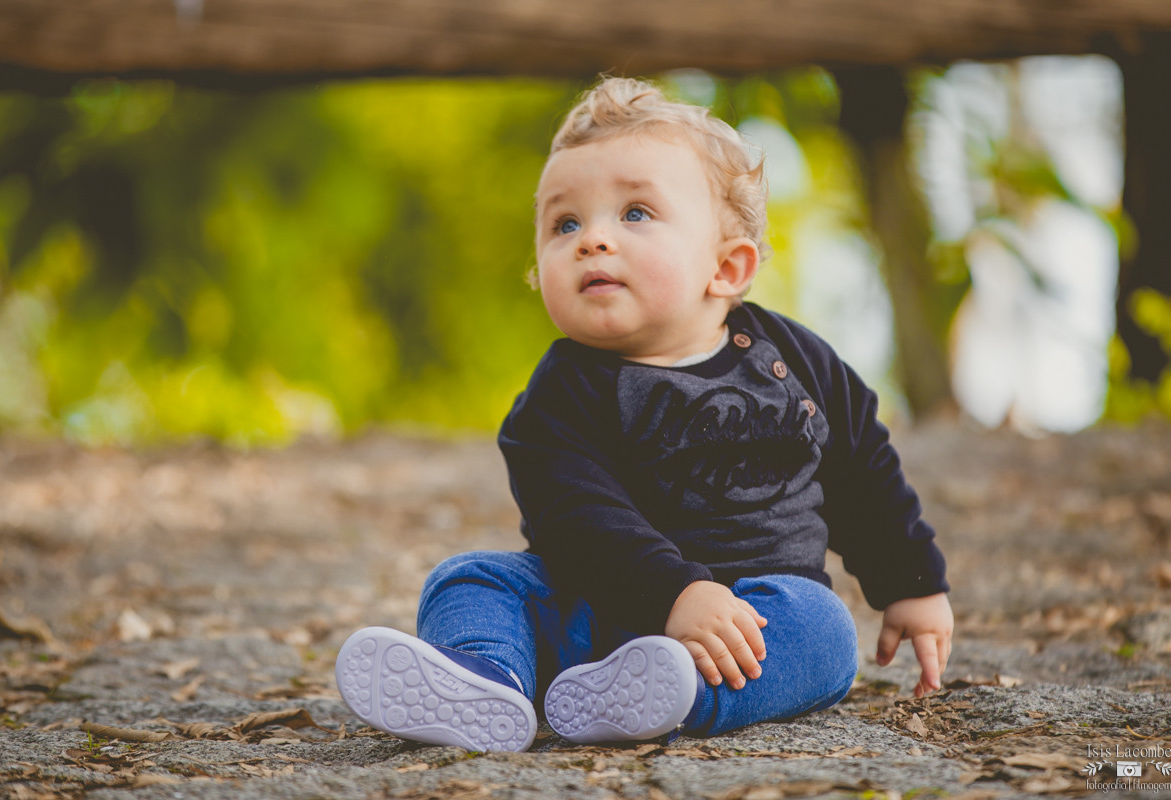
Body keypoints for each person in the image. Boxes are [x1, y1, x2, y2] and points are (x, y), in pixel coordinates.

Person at [336, 76, 953, 753]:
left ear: (725, 268)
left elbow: (863, 467)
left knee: (826, 632)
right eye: (564, 223)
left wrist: (911, 582)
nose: (592, 239)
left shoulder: (797, 360)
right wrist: (673, 594)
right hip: (595, 611)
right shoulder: (559, 397)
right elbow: (578, 519)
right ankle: (484, 680)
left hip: (751, 623)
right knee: (472, 578)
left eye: (634, 213)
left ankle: (679, 692)